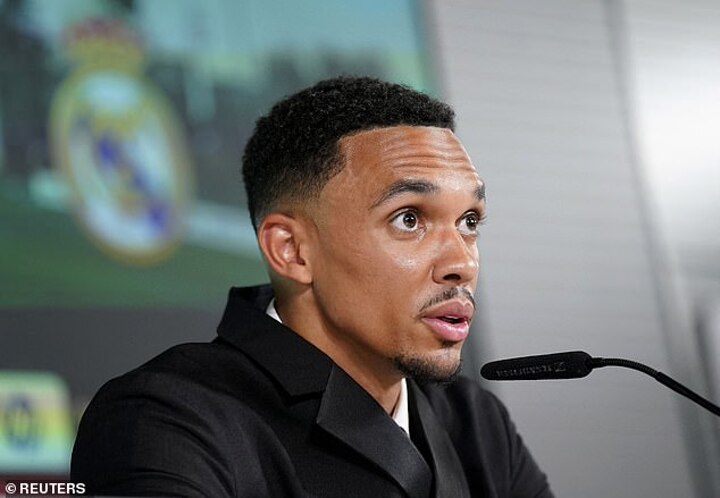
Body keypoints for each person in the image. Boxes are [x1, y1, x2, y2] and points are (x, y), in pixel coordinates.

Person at [72, 76, 553, 498]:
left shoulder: (476, 421)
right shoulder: (166, 418)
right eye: (409, 219)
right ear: (292, 250)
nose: (462, 263)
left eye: (469, 221)